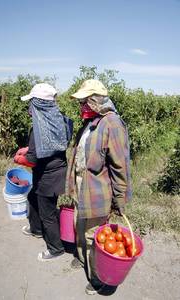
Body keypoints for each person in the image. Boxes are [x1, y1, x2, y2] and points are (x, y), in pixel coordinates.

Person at [65, 79, 132, 295]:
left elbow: (120, 166)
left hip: (96, 191)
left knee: (94, 235)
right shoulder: (91, 121)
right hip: (80, 186)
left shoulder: (112, 124)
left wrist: (119, 200)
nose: (81, 106)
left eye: (84, 101)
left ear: (95, 101)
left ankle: (97, 278)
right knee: (79, 225)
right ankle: (81, 255)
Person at [14, 83, 73, 261]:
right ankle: (37, 229)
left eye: (31, 102)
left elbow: (32, 160)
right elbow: (48, 148)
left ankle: (56, 249)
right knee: (32, 197)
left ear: (38, 104)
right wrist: (29, 150)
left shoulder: (37, 130)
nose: (29, 106)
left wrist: (18, 159)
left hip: (48, 177)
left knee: (48, 214)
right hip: (58, 171)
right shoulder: (61, 121)